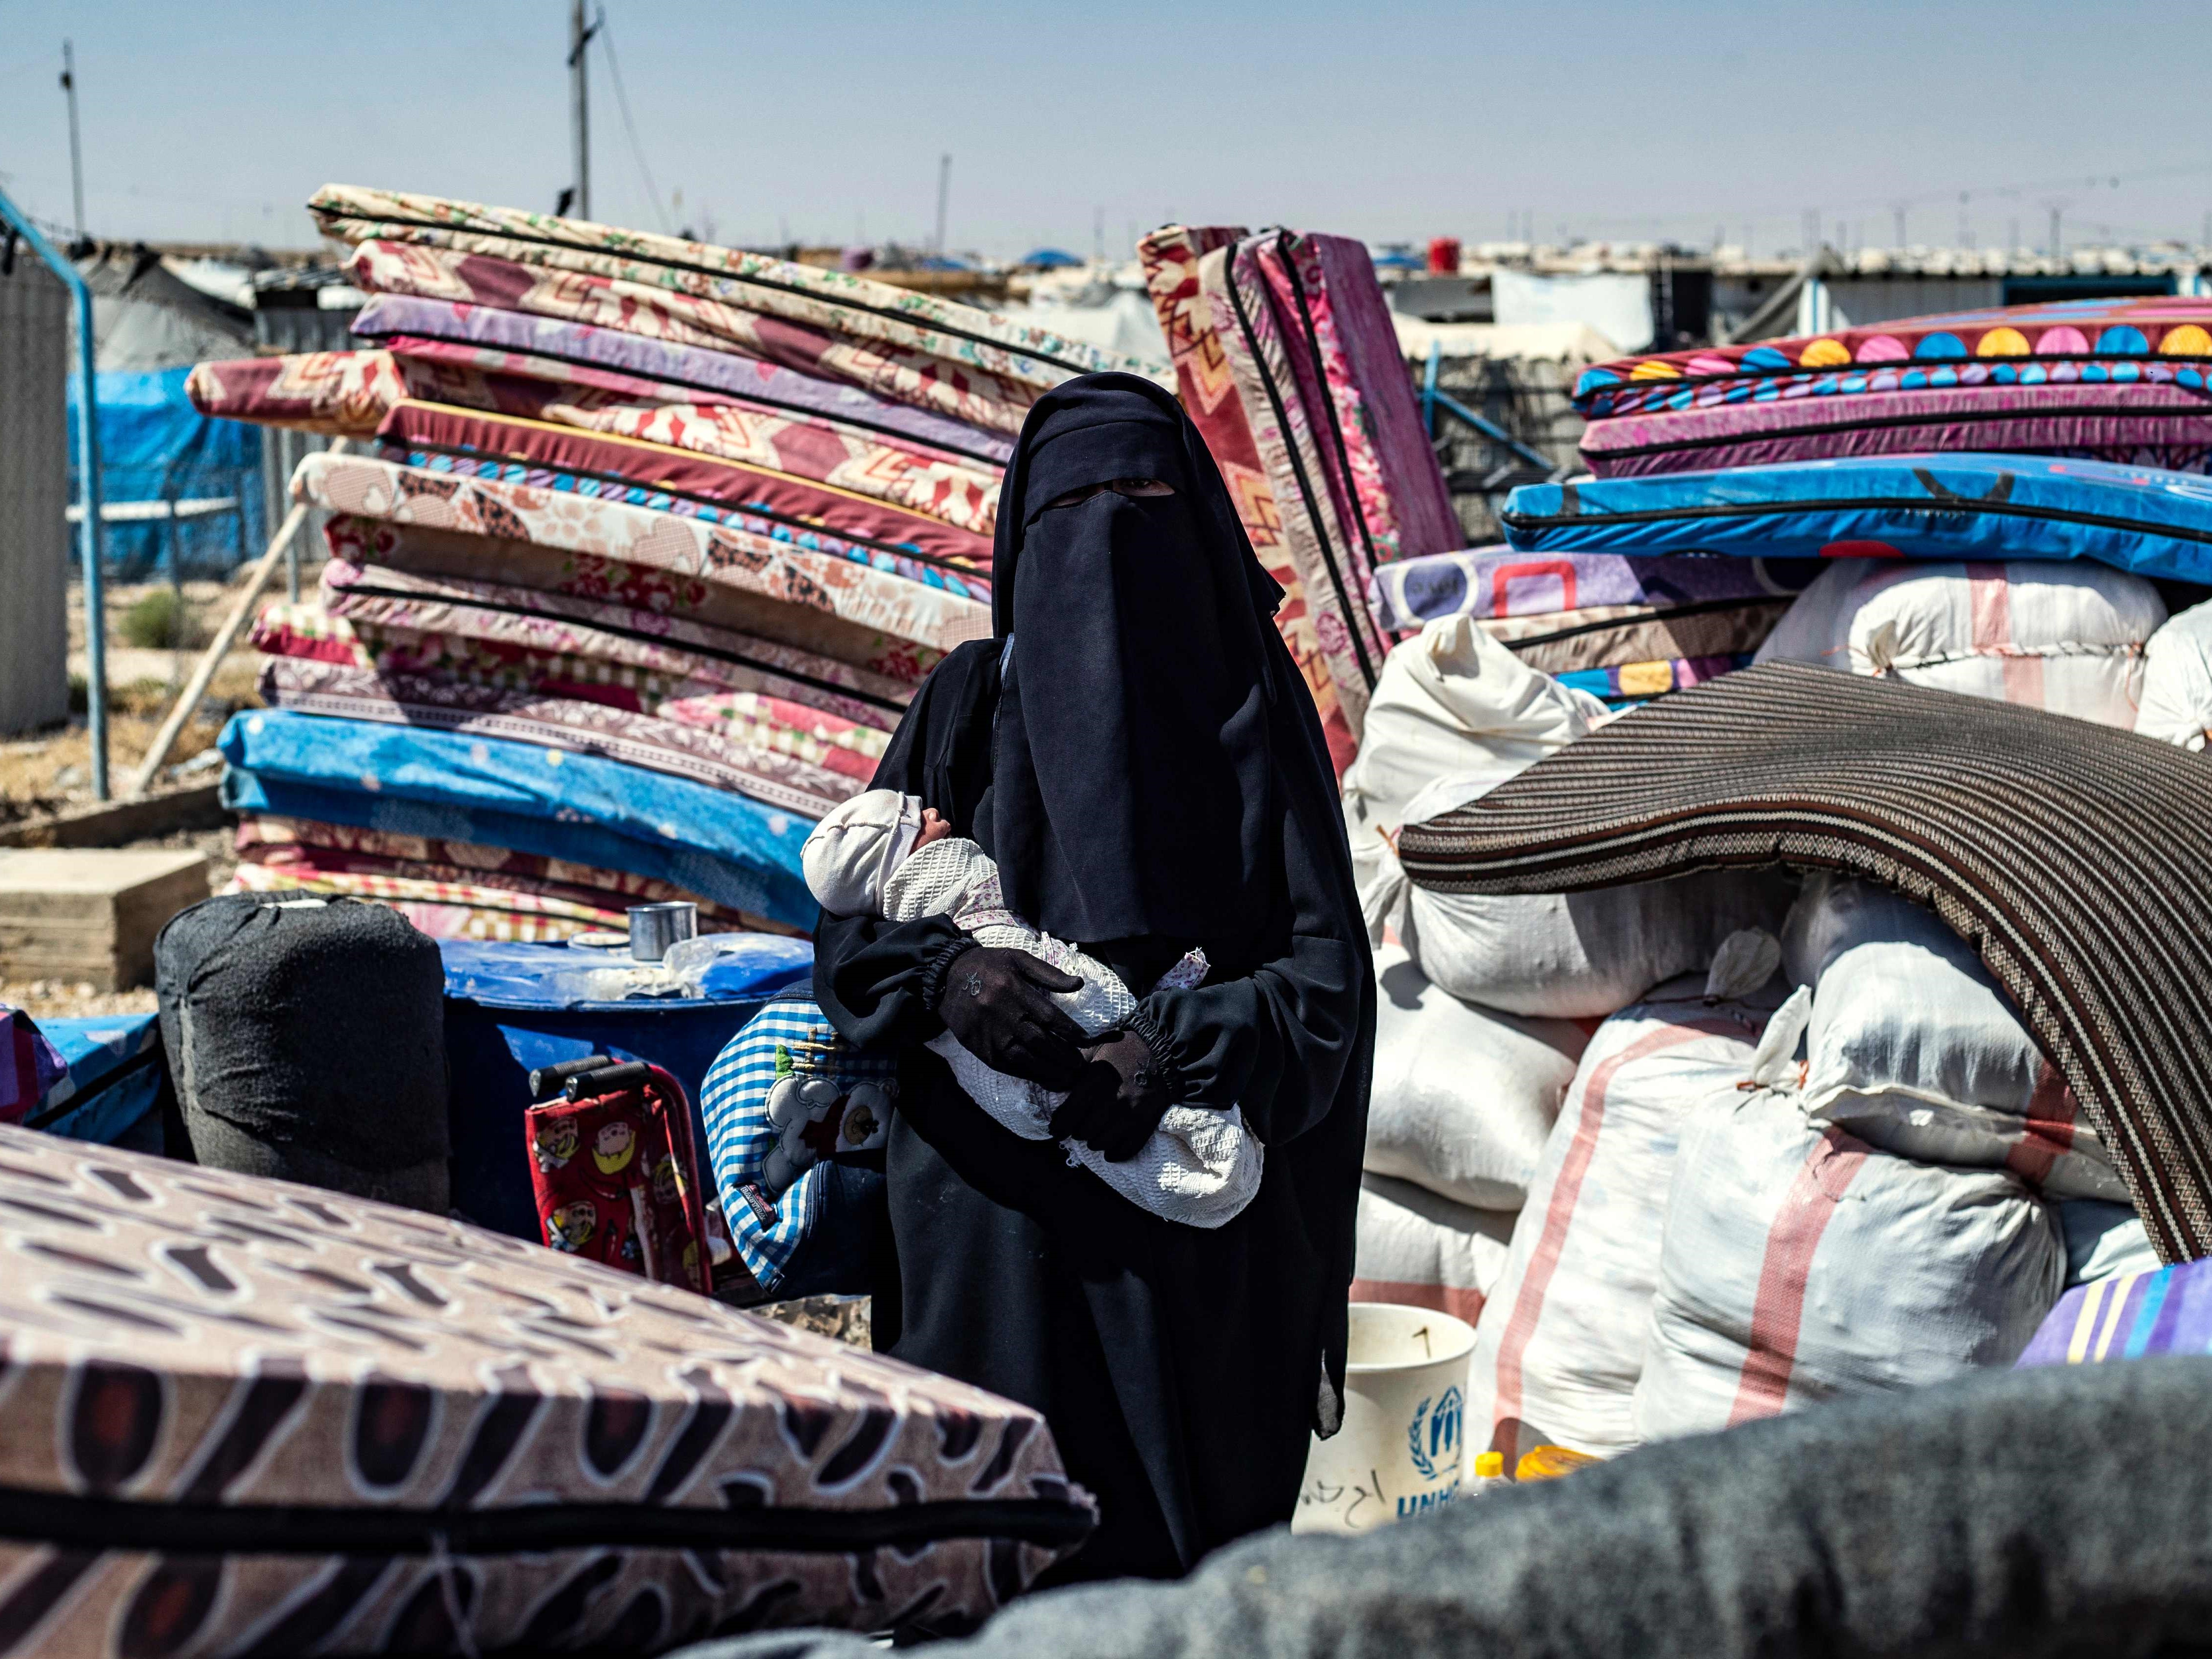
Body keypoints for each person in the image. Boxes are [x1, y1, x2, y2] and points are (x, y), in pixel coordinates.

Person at [813, 372, 1373, 1584]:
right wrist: (950, 974)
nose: (1112, 534)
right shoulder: (967, 702)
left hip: (1196, 1289)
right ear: (1027, 537)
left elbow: (1326, 987)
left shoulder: (1255, 719)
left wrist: (1170, 1046)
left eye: (1145, 496)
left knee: (1182, 1594)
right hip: (989, 1267)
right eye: (1079, 506)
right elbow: (849, 934)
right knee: (986, 1580)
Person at [801, 784, 1263, 1229]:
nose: (931, 813)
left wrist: (1170, 1038)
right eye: (913, 819)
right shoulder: (950, 726)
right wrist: (943, 968)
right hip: (976, 1192)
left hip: (1124, 1136)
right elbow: (844, 948)